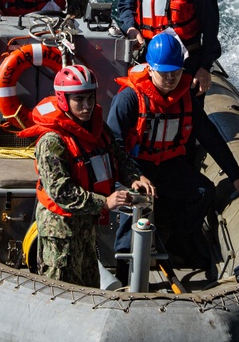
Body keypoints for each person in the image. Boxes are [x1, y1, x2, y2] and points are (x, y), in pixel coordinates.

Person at [107, 33, 239, 265]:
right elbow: (112, 145)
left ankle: (180, 241)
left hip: (167, 165)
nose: (171, 78)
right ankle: (124, 262)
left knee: (203, 191)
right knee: (134, 199)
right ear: (151, 69)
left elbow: (209, 136)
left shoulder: (186, 99)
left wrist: (236, 176)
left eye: (176, 71)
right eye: (165, 72)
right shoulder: (129, 99)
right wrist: (135, 176)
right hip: (133, 166)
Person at [18, 65, 154, 288]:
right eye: (79, 99)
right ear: (64, 100)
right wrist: (105, 202)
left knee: (89, 284)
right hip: (61, 231)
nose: (87, 106)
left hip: (87, 226)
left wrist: (134, 177)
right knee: (61, 289)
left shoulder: (97, 129)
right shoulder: (52, 142)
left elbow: (117, 155)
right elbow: (61, 191)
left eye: (90, 98)